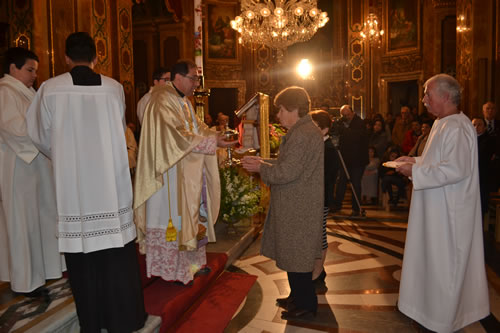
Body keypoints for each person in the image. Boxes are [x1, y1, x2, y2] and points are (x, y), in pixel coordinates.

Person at [27, 32, 146, 332]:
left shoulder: (50, 89)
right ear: (96, 57)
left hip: (74, 189)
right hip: (111, 186)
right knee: (115, 257)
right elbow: (120, 131)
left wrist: (63, 156)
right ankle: (123, 320)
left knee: (83, 261)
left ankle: (91, 324)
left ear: (66, 57)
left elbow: (39, 134)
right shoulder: (114, 88)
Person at [395, 74, 489, 332]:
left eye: (428, 94)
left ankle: (441, 320)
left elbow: (456, 169)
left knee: (444, 266)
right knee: (431, 262)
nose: (423, 100)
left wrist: (414, 173)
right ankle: (429, 313)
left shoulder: (457, 126)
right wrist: (415, 162)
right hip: (436, 207)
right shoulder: (442, 123)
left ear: (446, 96)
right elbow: (439, 161)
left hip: (449, 213)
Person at [133, 59, 236, 285]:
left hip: (187, 172)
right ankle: (173, 271)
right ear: (177, 77)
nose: (196, 84)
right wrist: (211, 142)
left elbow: (199, 129)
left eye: (197, 79)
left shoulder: (184, 102)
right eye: (193, 78)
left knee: (191, 218)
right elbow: (175, 136)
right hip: (168, 174)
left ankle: (192, 266)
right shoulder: (161, 99)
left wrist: (217, 136)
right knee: (176, 221)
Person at [241, 86, 323, 320]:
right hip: (296, 202)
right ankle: (297, 296)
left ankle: (307, 305)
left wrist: (260, 167)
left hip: (298, 205)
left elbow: (287, 172)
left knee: (298, 255)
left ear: (294, 109)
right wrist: (262, 160)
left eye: (281, 110)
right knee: (293, 253)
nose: (278, 116)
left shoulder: (303, 134)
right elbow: (287, 163)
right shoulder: (303, 130)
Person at [0, 47, 64, 296]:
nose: (34, 75)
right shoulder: (6, 93)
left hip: (36, 165)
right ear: (13, 68)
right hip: (19, 167)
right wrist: (47, 134)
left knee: (42, 218)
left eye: (35, 71)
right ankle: (26, 280)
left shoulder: (27, 92)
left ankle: (44, 272)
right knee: (23, 223)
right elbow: (14, 128)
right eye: (29, 70)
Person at [310, 110, 338, 289]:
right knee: (314, 236)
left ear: (325, 129)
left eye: (314, 127)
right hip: (314, 198)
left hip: (320, 199)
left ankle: (318, 273)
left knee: (319, 236)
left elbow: (325, 178)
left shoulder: (329, 150)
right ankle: (316, 272)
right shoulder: (318, 146)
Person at [331, 104, 368, 216]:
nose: (346, 117)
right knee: (341, 182)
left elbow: (357, 137)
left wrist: (345, 130)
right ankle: (337, 204)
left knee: (355, 183)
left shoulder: (360, 123)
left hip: (357, 160)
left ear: (352, 112)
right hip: (345, 158)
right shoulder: (341, 122)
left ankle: (356, 208)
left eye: (347, 115)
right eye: (344, 115)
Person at [472, 117, 495, 216]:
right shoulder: (468, 139)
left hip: (482, 177)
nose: (476, 127)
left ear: (485, 127)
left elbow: (481, 157)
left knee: (479, 208)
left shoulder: (489, 140)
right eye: (474, 125)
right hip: (470, 177)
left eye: (479, 124)